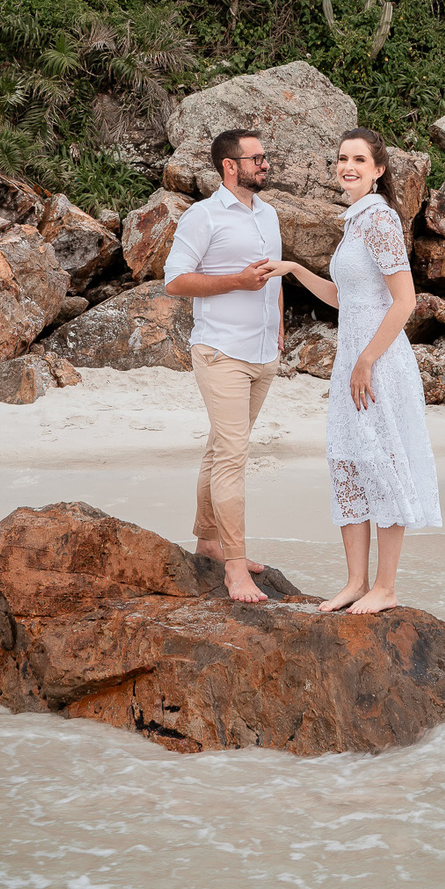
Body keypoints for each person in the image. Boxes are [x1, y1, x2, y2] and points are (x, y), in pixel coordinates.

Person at [264, 127, 441, 613]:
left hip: (378, 361)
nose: (349, 166)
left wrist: (366, 360)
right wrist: (296, 271)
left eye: (360, 160)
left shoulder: (380, 221)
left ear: (379, 170)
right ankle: (356, 582)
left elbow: (405, 301)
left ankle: (386, 587)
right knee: (347, 461)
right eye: (343, 158)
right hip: (353, 359)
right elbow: (347, 299)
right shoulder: (354, 223)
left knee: (380, 461)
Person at [163, 130, 283, 604]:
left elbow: (272, 276)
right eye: (257, 158)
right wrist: (235, 281)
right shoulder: (203, 215)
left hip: (263, 352)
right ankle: (235, 568)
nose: (265, 164)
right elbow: (175, 281)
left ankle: (209, 543)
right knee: (233, 454)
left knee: (220, 448)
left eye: (265, 156)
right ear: (230, 166)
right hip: (221, 352)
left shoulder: (269, 214)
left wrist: (279, 323)